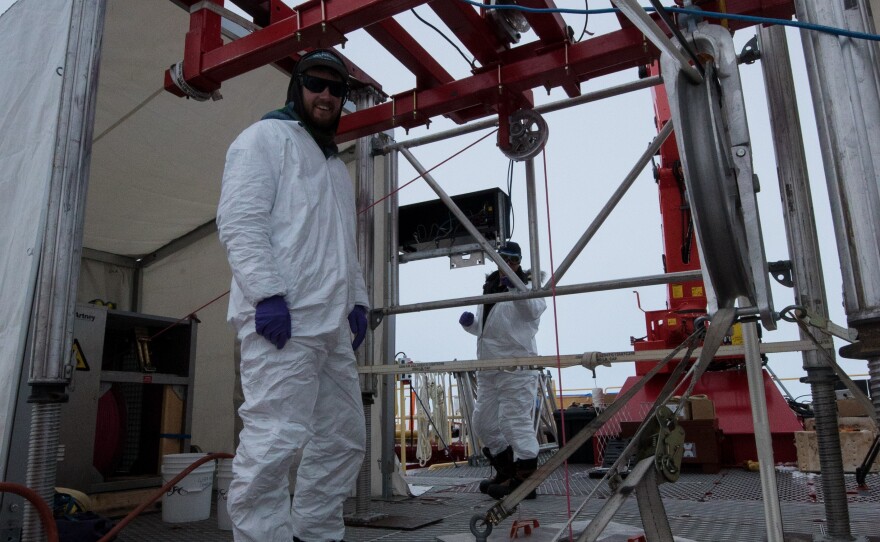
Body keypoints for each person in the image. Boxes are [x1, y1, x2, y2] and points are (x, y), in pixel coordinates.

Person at [217, 48, 368, 542]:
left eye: (336, 89)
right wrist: (265, 294)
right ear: (296, 86)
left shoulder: (333, 165)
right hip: (283, 318)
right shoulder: (264, 139)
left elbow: (342, 242)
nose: (326, 95)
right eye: (316, 84)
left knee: (344, 439)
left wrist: (358, 300)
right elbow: (241, 221)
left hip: (330, 324)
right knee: (274, 441)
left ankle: (314, 533)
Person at [459, 241, 546, 499]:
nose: (508, 264)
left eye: (513, 260)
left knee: (514, 420)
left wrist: (517, 289)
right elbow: (489, 329)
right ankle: (506, 471)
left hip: (516, 367)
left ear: (519, 263)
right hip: (488, 367)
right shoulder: (488, 289)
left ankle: (525, 480)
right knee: (483, 423)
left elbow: (533, 312)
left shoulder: (529, 286)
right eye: (503, 259)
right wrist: (471, 324)